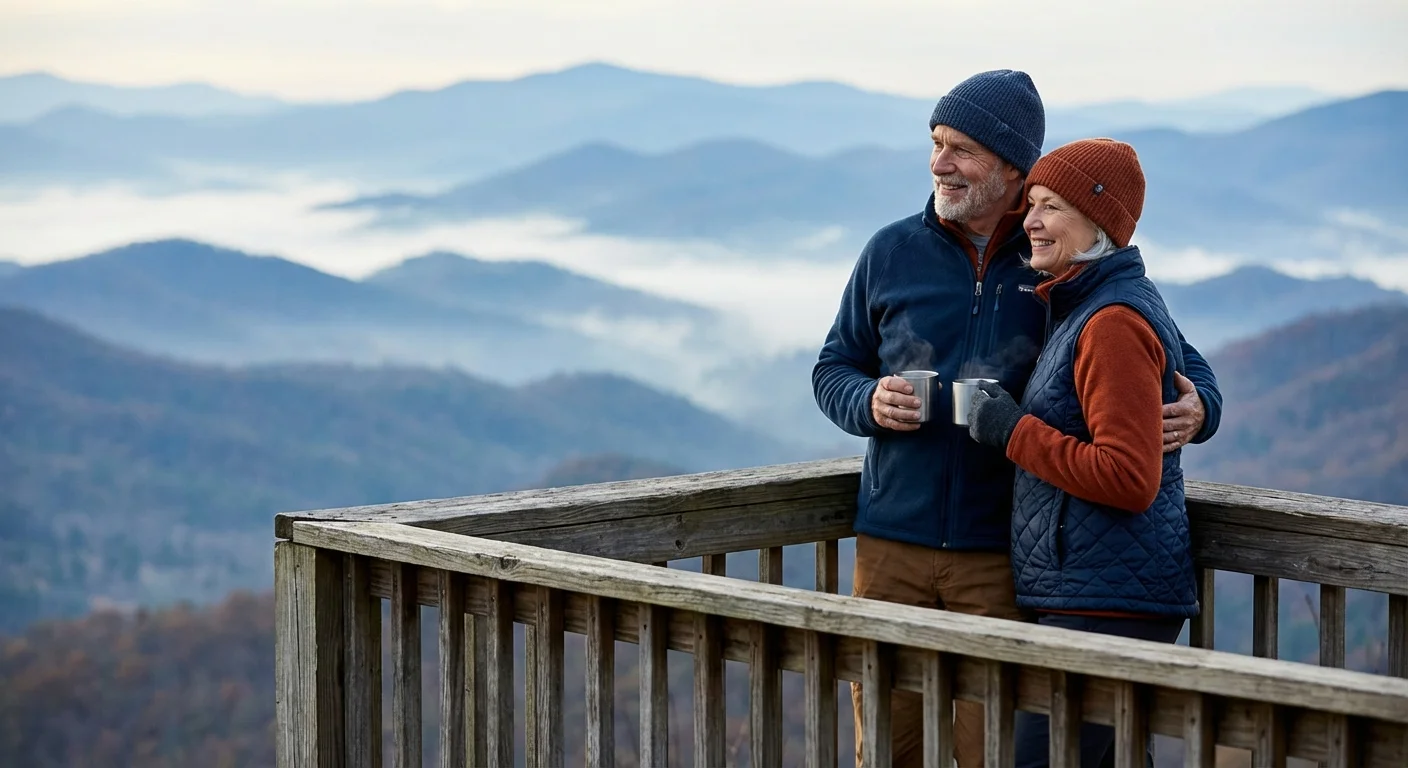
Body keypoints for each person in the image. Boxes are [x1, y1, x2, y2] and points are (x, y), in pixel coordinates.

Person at [811, 72, 1222, 768]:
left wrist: (1200, 408)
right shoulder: (889, 252)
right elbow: (832, 369)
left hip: (1000, 556)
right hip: (891, 545)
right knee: (885, 750)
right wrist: (867, 403)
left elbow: (1179, 361)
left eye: (960, 148)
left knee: (994, 752)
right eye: (936, 144)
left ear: (1010, 165)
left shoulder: (1058, 263)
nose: (940, 162)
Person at [966, 138, 1203, 767]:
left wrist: (1010, 431)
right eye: (1032, 204)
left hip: (1106, 603)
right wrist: (1202, 402)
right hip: (1096, 592)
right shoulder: (1093, 300)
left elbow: (1128, 478)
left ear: (1099, 222)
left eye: (1051, 208)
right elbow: (1189, 370)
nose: (1032, 223)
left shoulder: (1111, 322)